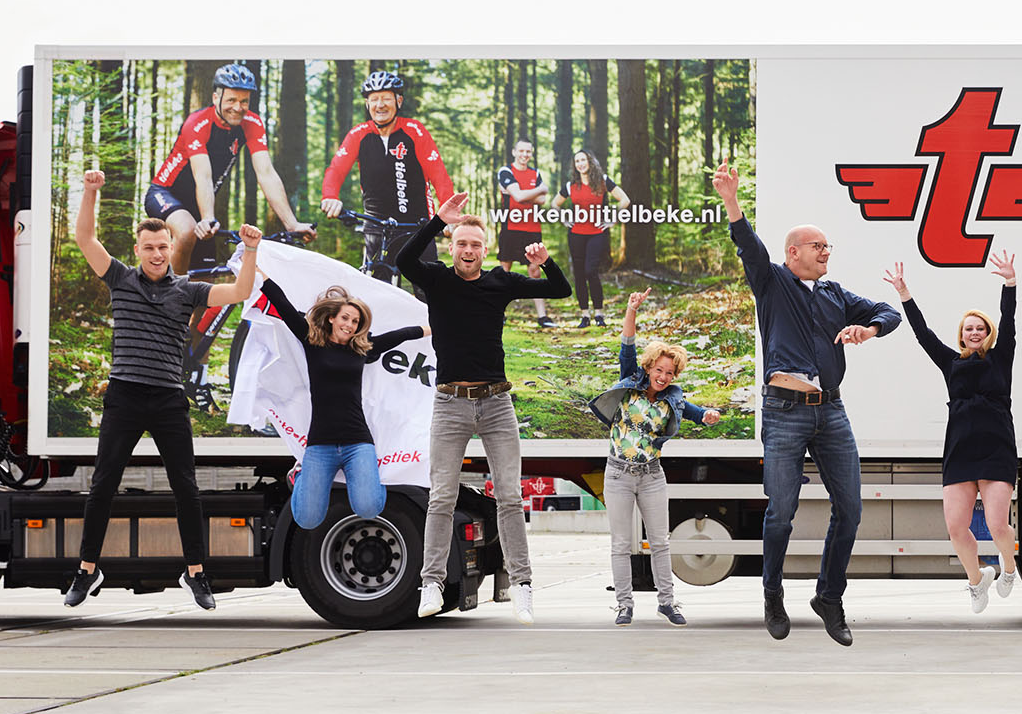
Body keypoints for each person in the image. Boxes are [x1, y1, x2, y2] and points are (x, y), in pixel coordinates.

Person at [715, 162, 901, 646]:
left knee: (851, 510)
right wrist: (732, 201)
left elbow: (889, 311)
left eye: (828, 246)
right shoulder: (771, 282)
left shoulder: (835, 293)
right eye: (818, 246)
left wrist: (869, 329)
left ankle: (828, 597)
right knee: (781, 511)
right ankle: (772, 593)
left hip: (832, 412)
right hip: (785, 412)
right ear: (793, 252)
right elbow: (748, 246)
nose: (826, 252)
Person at [64, 169, 264, 610]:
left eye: (163, 247)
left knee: (185, 488)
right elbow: (85, 238)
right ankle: (87, 569)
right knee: (103, 484)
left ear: (172, 248)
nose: (157, 254)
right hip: (125, 395)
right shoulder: (120, 278)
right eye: (149, 248)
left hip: (169, 399)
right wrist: (91, 192)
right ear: (138, 250)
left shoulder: (188, 290)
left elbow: (240, 290)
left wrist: (250, 249)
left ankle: (195, 573)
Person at [399, 193, 572, 622]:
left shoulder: (500, 282)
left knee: (509, 496)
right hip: (450, 403)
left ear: (485, 249)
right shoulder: (437, 279)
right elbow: (403, 260)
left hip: (496, 404)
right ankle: (431, 583)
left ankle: (523, 585)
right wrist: (437, 220)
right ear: (451, 246)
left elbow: (560, 289)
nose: (469, 250)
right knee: (441, 496)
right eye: (462, 243)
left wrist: (546, 261)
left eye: (475, 244)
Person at [884, 253, 1021, 613]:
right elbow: (922, 334)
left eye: (980, 328)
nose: (974, 333)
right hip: (960, 451)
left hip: (996, 450)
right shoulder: (950, 362)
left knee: (997, 524)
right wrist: (904, 293)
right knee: (957, 528)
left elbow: (1009, 320)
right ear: (961, 335)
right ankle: (977, 581)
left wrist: (1010, 284)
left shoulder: (1001, 357)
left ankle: (1009, 568)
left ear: (988, 334)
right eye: (968, 328)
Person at [587, 288, 723, 626]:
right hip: (618, 474)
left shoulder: (672, 399)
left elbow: (697, 413)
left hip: (651, 475)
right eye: (659, 370)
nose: (663, 377)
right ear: (649, 367)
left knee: (660, 542)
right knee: (621, 544)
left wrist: (709, 415)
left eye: (670, 373)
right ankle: (624, 605)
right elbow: (627, 344)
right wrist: (632, 310)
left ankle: (667, 602)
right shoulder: (631, 379)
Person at [256, 282, 430, 528]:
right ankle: (300, 474)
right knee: (307, 520)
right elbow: (281, 303)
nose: (349, 325)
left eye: (355, 321)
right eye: (345, 318)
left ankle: (368, 479)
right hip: (320, 444)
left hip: (357, 443)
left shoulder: (362, 349)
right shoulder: (312, 341)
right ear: (331, 318)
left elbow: (404, 334)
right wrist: (255, 265)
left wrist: (440, 326)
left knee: (369, 508)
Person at [145, 63, 312, 274]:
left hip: (200, 202)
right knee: (187, 231)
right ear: (216, 98)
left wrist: (292, 224)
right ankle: (168, 292)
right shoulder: (197, 123)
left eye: (244, 101)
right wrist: (208, 217)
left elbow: (266, 173)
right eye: (231, 100)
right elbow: (203, 176)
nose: (238, 107)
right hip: (165, 193)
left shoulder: (252, 123)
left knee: (205, 277)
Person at [319, 70, 456, 291]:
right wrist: (330, 197)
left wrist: (448, 214)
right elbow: (336, 169)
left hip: (417, 224)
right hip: (376, 226)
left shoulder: (414, 130)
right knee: (376, 292)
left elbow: (439, 175)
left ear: (398, 101)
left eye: (386, 98)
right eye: (374, 99)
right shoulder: (358, 134)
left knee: (428, 291)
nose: (380, 105)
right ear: (367, 104)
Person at [548, 148, 630, 328]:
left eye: (583, 160)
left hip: (596, 234)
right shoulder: (571, 186)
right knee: (579, 274)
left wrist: (613, 219)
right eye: (577, 161)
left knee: (590, 271)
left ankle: (599, 314)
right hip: (576, 234)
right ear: (575, 165)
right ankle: (585, 315)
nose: (580, 164)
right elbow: (554, 203)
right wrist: (563, 218)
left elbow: (625, 200)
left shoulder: (603, 181)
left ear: (590, 162)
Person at [496, 140, 556, 327]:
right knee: (504, 271)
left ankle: (542, 317)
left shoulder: (535, 173)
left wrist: (523, 194)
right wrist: (539, 189)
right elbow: (520, 196)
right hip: (510, 228)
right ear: (514, 152)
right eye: (521, 151)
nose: (524, 154)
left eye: (528, 151)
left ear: (531, 153)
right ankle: (498, 313)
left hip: (532, 229)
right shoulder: (505, 171)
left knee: (535, 271)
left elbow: (542, 200)